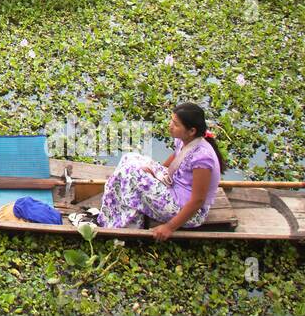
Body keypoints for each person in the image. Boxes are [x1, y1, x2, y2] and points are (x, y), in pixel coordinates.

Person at [93, 103, 224, 240]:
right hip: (174, 186)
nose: (170, 125)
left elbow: (198, 201)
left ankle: (125, 225)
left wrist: (169, 227)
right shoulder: (185, 139)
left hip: (187, 209)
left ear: (191, 131)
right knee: (130, 158)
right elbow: (176, 157)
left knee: (129, 174)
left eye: (176, 124)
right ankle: (119, 214)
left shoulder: (202, 159)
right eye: (171, 121)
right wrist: (156, 173)